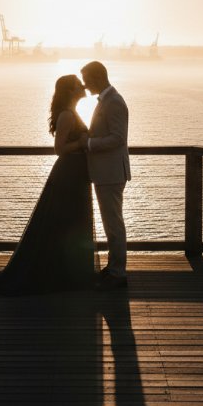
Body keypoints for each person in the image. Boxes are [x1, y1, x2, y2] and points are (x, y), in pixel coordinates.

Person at [0, 75, 97, 295]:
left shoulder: (72, 113)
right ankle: (62, 274)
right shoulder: (67, 115)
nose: (83, 85)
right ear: (70, 90)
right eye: (79, 83)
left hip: (75, 172)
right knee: (65, 221)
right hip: (69, 172)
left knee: (70, 221)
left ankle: (66, 272)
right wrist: (81, 142)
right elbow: (59, 148)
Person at [80, 61, 130, 291]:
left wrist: (89, 143)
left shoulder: (115, 102)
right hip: (106, 172)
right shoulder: (107, 100)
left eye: (87, 79)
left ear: (98, 78)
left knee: (114, 224)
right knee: (111, 223)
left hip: (111, 173)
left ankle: (118, 273)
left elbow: (118, 138)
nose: (85, 85)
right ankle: (113, 268)